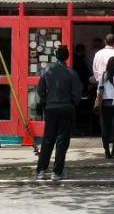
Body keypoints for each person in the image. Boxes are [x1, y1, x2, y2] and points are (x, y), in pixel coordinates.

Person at [35, 45, 83, 181]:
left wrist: (46, 100)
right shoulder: (71, 73)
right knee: (62, 140)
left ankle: (41, 170)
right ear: (67, 56)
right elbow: (77, 92)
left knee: (48, 139)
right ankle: (57, 171)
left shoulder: (47, 71)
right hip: (66, 107)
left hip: (51, 108)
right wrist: (73, 103)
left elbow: (40, 90)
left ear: (56, 56)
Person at [95, 56, 114, 159]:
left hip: (105, 104)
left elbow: (99, 89)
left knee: (105, 128)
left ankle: (107, 152)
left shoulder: (104, 75)